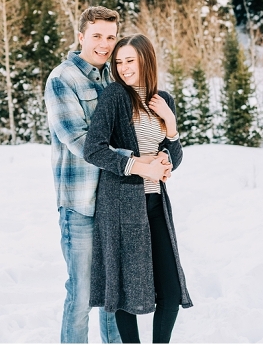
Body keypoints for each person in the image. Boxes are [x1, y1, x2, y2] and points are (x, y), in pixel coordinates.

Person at [45, 7, 167, 343]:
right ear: (81, 37)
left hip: (115, 203)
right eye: (96, 36)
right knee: (82, 294)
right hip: (81, 205)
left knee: (114, 293)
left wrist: (163, 149)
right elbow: (79, 141)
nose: (104, 44)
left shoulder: (116, 79)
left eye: (110, 37)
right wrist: (138, 163)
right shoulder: (62, 79)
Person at [83, 34, 193, 344]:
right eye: (119, 62)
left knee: (171, 291)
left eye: (130, 60)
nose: (124, 67)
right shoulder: (115, 96)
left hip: (156, 203)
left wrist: (170, 127)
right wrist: (138, 165)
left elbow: (175, 158)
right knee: (124, 290)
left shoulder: (163, 100)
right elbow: (93, 149)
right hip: (121, 205)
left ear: (146, 60)